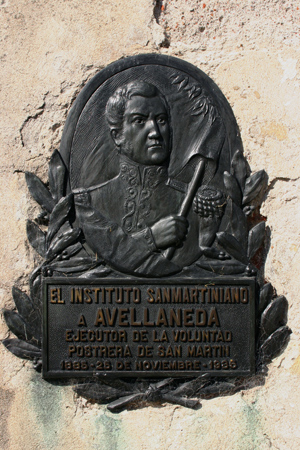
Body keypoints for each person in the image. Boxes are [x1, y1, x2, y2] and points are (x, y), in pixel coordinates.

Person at [74, 81, 226, 277]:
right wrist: (152, 238)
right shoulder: (88, 205)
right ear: (117, 135)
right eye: (139, 121)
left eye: (161, 120)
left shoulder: (198, 207)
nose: (155, 132)